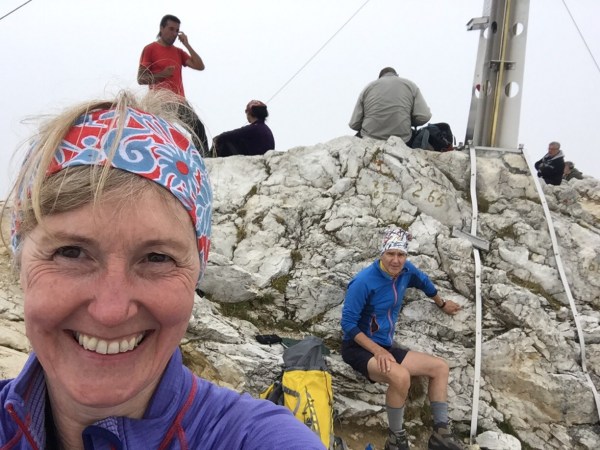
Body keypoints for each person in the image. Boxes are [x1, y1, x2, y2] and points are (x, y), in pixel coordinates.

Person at [0, 90, 325, 450]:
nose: (111, 312)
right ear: (20, 264)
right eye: (71, 252)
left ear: (196, 273)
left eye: (156, 258)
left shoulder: (255, 439)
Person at [340, 228, 464, 450]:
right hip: (358, 347)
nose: (396, 260)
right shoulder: (364, 281)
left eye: (401, 254)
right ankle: (395, 439)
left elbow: (424, 282)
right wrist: (377, 351)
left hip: (384, 346)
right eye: (391, 254)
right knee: (401, 376)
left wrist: (442, 303)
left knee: (440, 367)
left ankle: (441, 434)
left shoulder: (406, 271)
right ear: (382, 253)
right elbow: (348, 324)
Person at [138, 14, 209, 156]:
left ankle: (204, 160)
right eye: (171, 29)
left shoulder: (178, 52)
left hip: (179, 100)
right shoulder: (150, 49)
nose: (174, 34)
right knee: (162, 136)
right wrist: (162, 74)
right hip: (160, 101)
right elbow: (141, 78)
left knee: (198, 129)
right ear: (161, 28)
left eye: (177, 30)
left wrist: (187, 44)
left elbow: (200, 66)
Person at [349, 67, 431, 143]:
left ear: (379, 78)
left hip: (370, 137)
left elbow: (354, 124)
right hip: (402, 138)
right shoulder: (410, 85)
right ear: (397, 75)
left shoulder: (368, 87)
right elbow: (424, 117)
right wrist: (408, 120)